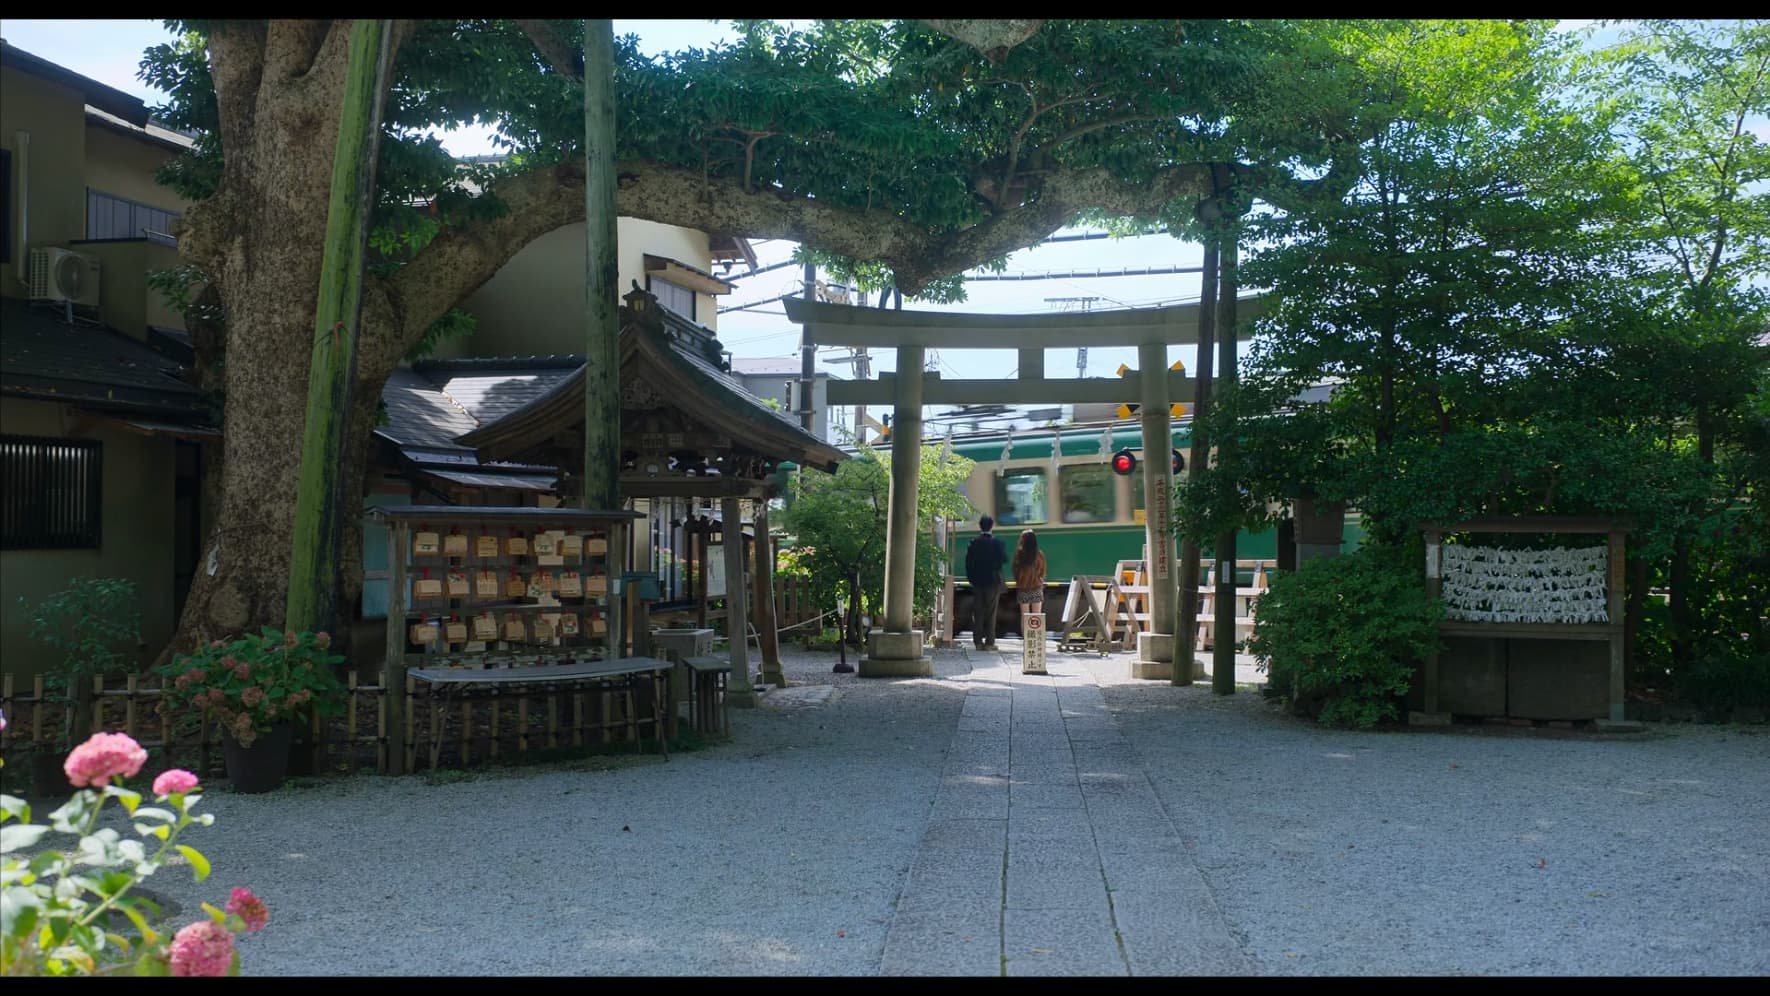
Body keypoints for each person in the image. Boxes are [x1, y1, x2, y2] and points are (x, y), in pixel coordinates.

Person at [964, 515, 1008, 650]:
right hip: (993, 582)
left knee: (978, 613)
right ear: (991, 526)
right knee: (991, 613)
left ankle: (977, 642)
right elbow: (1004, 559)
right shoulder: (997, 543)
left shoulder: (973, 543)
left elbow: (968, 563)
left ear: (980, 526)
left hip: (977, 583)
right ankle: (990, 642)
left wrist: (972, 579)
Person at [1012, 529, 1047, 640]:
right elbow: (1042, 571)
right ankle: (1036, 640)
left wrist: (1020, 581)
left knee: (1025, 616)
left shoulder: (1019, 554)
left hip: (1023, 587)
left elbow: (1015, 571)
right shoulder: (1039, 555)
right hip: (1036, 587)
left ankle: (1027, 640)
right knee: (1037, 615)